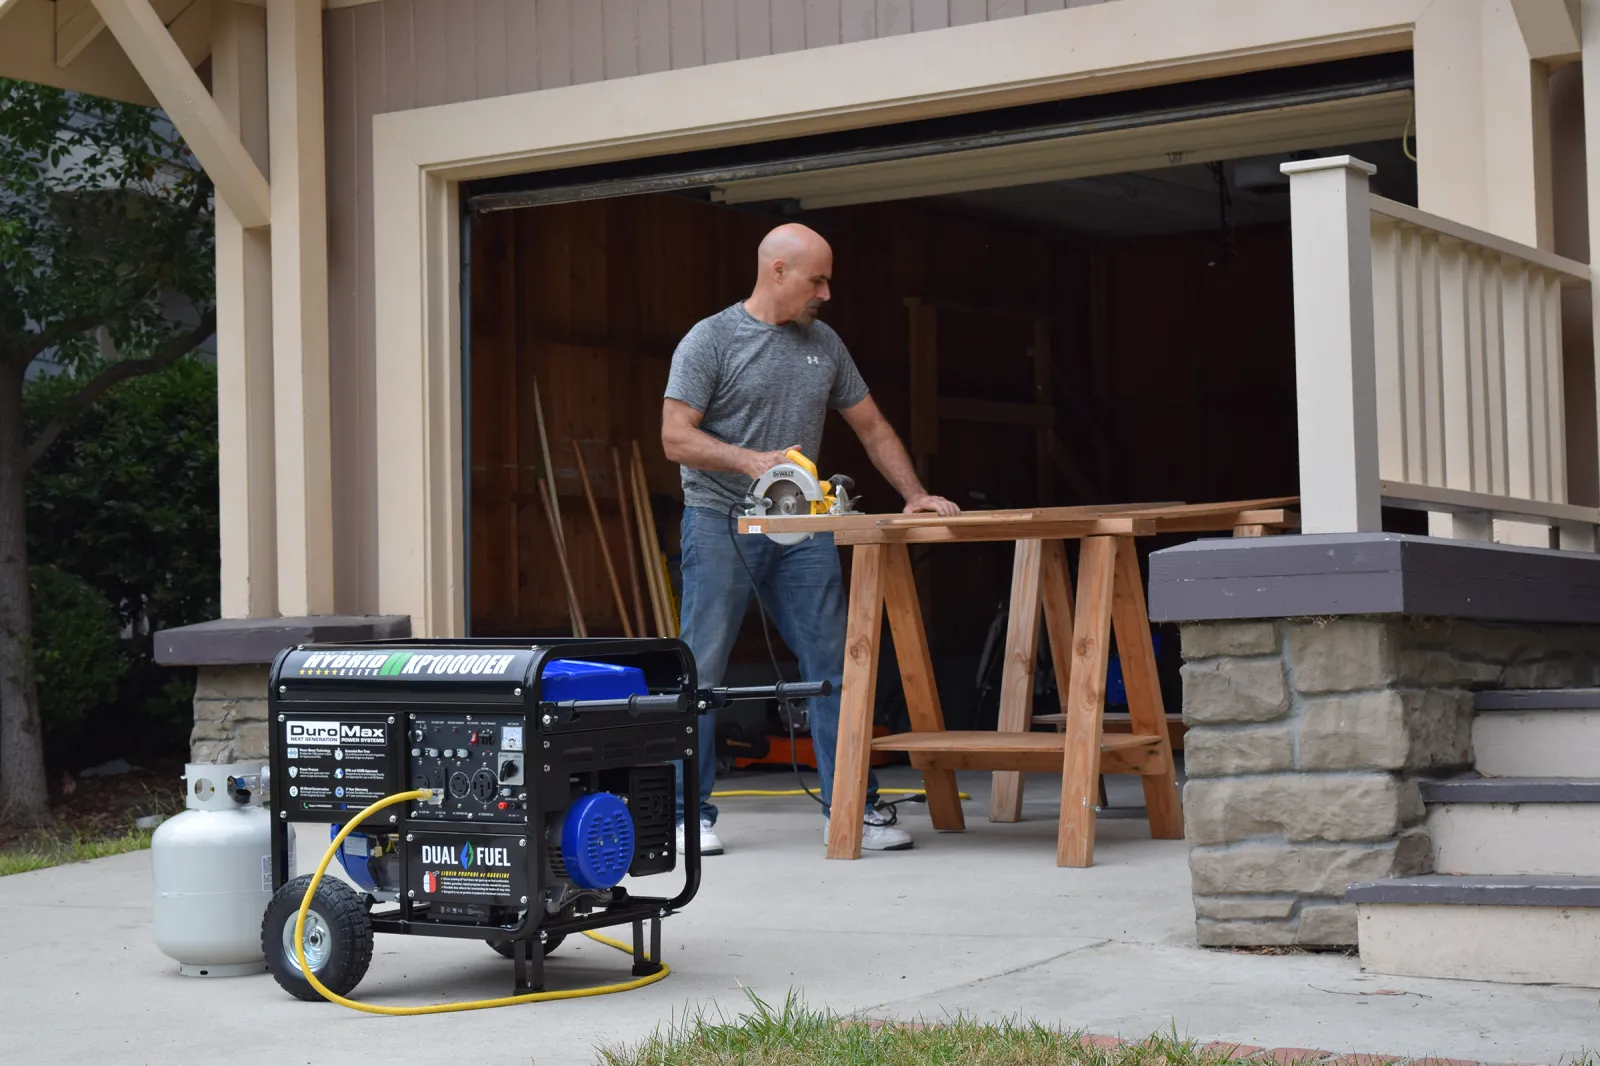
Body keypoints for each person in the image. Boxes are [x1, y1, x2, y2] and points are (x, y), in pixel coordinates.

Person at [661, 222, 959, 856]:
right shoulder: (710, 339)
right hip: (721, 523)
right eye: (816, 279)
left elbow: (873, 428)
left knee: (837, 664)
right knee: (703, 667)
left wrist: (913, 494)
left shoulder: (824, 343)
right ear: (777, 271)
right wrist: (749, 462)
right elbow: (675, 438)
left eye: (828, 279)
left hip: (804, 525)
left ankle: (850, 805)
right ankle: (690, 814)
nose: (826, 292)